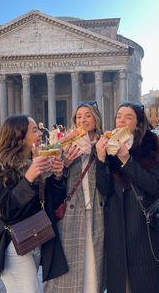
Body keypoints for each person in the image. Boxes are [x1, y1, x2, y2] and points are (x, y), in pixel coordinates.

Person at [0, 115, 68, 293]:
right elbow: (7, 210)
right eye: (34, 130)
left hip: (36, 239)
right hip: (14, 245)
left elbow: (50, 203)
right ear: (19, 137)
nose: (41, 133)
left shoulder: (35, 163)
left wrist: (57, 176)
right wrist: (29, 178)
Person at [96, 101, 159, 293]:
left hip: (142, 224)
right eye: (119, 116)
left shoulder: (150, 143)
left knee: (147, 282)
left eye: (128, 117)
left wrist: (126, 160)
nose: (121, 120)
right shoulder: (109, 144)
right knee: (122, 283)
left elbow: (154, 185)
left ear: (138, 123)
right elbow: (104, 189)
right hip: (116, 224)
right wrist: (100, 158)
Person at [44, 101, 105, 293]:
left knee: (94, 268)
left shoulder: (105, 143)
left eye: (88, 115)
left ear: (96, 118)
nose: (83, 120)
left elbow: (110, 183)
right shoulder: (65, 143)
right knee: (70, 270)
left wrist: (101, 156)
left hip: (98, 213)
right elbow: (54, 184)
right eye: (79, 116)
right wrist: (65, 164)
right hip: (72, 214)